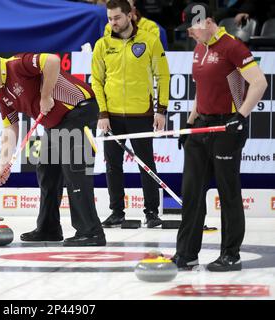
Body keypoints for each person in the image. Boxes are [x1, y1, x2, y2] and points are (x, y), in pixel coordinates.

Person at [0, 51, 106, 246]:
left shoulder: (16, 65)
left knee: (75, 171)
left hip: (78, 111)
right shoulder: (0, 92)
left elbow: (52, 60)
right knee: (46, 171)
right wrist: (3, 163)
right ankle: (48, 228)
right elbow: (10, 127)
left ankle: (91, 232)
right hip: (55, 123)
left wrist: (46, 96)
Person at [173, 3, 267, 272]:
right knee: (191, 193)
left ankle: (231, 254)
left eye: (192, 27)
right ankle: (186, 254)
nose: (189, 32)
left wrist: (241, 116)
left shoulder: (232, 46)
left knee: (228, 193)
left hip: (227, 128)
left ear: (209, 21)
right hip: (201, 128)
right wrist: (188, 124)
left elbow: (259, 82)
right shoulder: (199, 48)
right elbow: (201, 91)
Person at [92, 0, 170, 229]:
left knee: (146, 163)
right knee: (113, 165)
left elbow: (162, 76)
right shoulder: (102, 45)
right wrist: (102, 113)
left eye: (117, 17)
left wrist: (161, 110)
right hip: (111, 117)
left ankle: (152, 212)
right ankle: (117, 212)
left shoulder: (150, 41)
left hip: (141, 114)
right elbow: (97, 81)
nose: (113, 22)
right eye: (109, 18)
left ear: (129, 15)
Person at [103, 0, 169, 50]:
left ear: (133, 10)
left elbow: (152, 50)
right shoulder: (109, 27)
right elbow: (109, 50)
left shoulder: (150, 27)